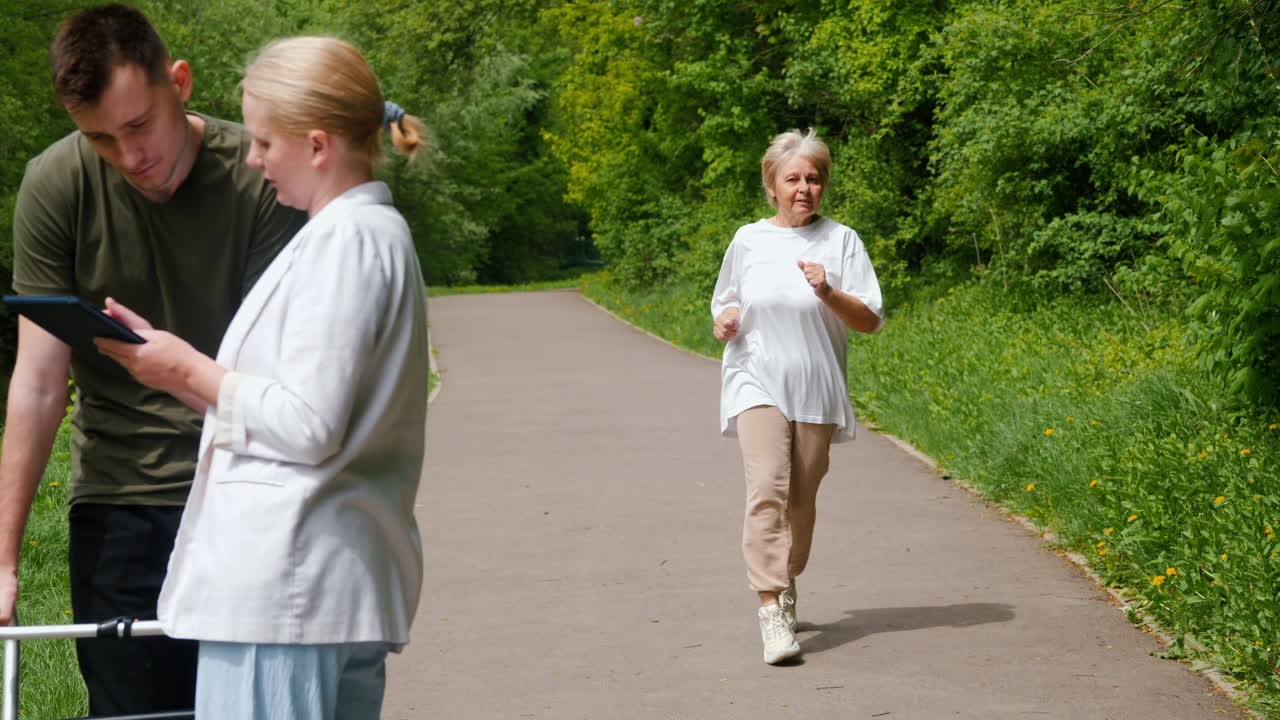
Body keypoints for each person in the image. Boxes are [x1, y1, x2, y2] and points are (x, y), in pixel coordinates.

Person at [95, 35, 430, 719]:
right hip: (310, 591)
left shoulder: (347, 242)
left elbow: (308, 424)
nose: (252, 159)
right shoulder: (354, 235)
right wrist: (172, 371)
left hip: (289, 594)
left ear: (317, 145)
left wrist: (189, 367)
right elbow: (302, 407)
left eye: (264, 143)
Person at [0, 3, 305, 714]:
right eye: (101, 138)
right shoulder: (55, 185)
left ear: (181, 82)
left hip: (247, 491)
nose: (130, 157)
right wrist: (5, 558)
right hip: (119, 504)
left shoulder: (264, 180)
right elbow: (39, 385)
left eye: (140, 126)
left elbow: (282, 377)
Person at [711, 128, 884, 665]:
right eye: (793, 179)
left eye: (814, 179)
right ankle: (770, 608)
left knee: (800, 501)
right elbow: (726, 300)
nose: (805, 188)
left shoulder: (842, 241)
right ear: (772, 186)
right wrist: (726, 320)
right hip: (754, 378)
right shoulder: (749, 239)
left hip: (816, 387)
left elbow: (870, 320)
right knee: (766, 486)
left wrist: (827, 290)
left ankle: (786, 580)